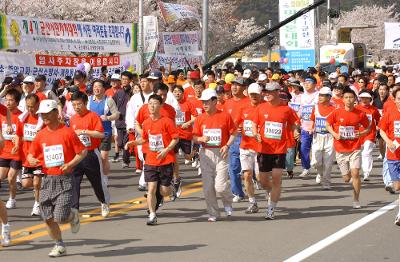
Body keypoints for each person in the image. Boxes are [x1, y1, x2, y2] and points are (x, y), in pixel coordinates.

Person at [27, 99, 87, 257]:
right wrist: (32, 159)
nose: (44, 117)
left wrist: (70, 164)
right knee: (47, 217)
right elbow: (31, 153)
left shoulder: (67, 132)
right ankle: (59, 245)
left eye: (47, 113)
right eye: (42, 114)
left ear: (55, 112)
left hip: (64, 178)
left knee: (60, 217)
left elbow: (82, 152)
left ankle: (72, 215)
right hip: (47, 179)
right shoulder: (41, 135)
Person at [125, 94, 179, 225]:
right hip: (150, 160)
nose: (152, 106)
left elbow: (175, 138)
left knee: (163, 191)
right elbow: (144, 139)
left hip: (165, 160)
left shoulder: (167, 121)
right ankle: (152, 215)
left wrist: (166, 150)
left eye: (155, 103)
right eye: (150, 103)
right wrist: (133, 143)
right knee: (151, 189)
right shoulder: (146, 123)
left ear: (160, 106)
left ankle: (171, 188)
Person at [252, 82, 298, 219]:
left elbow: (294, 124)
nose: (267, 94)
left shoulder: (286, 110)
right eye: (266, 92)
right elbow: (254, 124)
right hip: (263, 148)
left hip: (279, 149)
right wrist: (256, 134)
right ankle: (272, 192)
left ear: (278, 92)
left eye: (270, 92)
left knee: (277, 178)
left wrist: (296, 131)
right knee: (263, 181)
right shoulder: (260, 108)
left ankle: (271, 209)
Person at [192, 88, 236, 222]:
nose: (204, 104)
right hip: (205, 154)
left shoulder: (225, 116)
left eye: (207, 102)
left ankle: (228, 202)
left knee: (220, 186)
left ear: (214, 101)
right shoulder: (200, 119)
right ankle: (214, 213)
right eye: (203, 102)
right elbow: (194, 136)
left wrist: (227, 145)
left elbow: (233, 133)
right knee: (208, 187)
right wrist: (200, 139)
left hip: (221, 153)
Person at [326, 88, 370, 208]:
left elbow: (368, 127)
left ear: (355, 99)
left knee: (356, 173)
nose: (349, 100)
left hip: (355, 147)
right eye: (346, 97)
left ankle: (356, 200)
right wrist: (334, 134)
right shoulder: (337, 112)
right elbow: (327, 124)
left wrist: (361, 134)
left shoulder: (360, 113)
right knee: (346, 178)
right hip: (340, 148)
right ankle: (348, 175)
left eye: (351, 97)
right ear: (342, 99)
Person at [70, 91, 110, 217]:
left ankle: (104, 202)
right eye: (74, 104)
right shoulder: (72, 119)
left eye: (79, 104)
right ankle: (74, 208)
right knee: (74, 182)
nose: (77, 107)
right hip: (77, 155)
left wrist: (85, 132)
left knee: (96, 182)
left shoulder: (93, 116)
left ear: (85, 103)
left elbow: (101, 134)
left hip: (91, 154)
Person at [223, 77, 250, 202]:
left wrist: (245, 127)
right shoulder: (227, 102)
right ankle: (238, 192)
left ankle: (253, 184)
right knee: (233, 166)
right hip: (233, 138)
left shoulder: (249, 102)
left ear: (244, 88)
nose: (234, 87)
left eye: (238, 85)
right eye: (233, 84)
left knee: (248, 168)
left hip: (247, 138)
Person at [87, 79, 120, 179]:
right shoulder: (88, 100)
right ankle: (98, 176)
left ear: (103, 89)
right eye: (95, 87)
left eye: (99, 86)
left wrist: (108, 118)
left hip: (105, 132)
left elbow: (117, 114)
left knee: (104, 157)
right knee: (94, 158)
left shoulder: (108, 100)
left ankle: (104, 178)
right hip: (92, 133)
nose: (96, 88)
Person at [19, 94, 45, 216]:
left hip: (40, 157)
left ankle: (37, 204)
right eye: (28, 106)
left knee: (36, 182)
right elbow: (18, 134)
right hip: (27, 156)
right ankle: (43, 188)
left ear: (38, 105)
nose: (30, 109)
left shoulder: (44, 119)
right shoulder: (23, 118)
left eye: (32, 107)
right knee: (26, 183)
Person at [238, 83, 262, 213]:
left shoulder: (265, 108)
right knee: (247, 175)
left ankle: (270, 195)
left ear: (260, 94)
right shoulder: (244, 108)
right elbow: (236, 123)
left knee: (260, 178)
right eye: (252, 94)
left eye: (256, 94)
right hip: (245, 146)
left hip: (261, 149)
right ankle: (252, 202)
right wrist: (237, 128)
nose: (254, 96)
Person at [378, 87, 400, 225]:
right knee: (397, 187)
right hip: (393, 155)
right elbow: (381, 131)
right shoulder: (390, 113)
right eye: (399, 98)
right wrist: (389, 142)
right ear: (395, 99)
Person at [172, 85, 198, 199]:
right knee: (174, 158)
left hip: (186, 134)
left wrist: (188, 123)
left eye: (179, 91)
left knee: (188, 157)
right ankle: (176, 179)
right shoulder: (170, 105)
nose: (177, 93)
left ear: (183, 93)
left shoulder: (188, 104)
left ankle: (195, 154)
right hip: (174, 135)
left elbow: (195, 117)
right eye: (175, 91)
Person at [309, 87, 336, 189]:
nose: (320, 97)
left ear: (329, 97)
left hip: (330, 137)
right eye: (320, 95)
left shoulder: (334, 109)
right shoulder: (315, 107)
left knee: (328, 162)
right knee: (316, 161)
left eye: (323, 95)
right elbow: (312, 120)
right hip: (317, 137)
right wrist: (311, 128)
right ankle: (320, 174)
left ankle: (326, 182)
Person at [0, 89, 22, 209]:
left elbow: (26, 135)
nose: (8, 102)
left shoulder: (22, 116)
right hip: (3, 152)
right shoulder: (2, 114)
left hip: (16, 152)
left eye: (11, 100)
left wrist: (18, 139)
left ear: (17, 102)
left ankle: (11, 199)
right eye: (6, 100)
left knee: (11, 177)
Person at [356, 91, 381, 181]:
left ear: (370, 99)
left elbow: (379, 119)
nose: (365, 100)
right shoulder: (356, 108)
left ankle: (366, 173)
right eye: (363, 98)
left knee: (366, 152)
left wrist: (379, 126)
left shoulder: (374, 109)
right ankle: (355, 171)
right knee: (358, 153)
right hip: (358, 134)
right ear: (360, 99)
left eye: (367, 98)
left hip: (370, 134)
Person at [297, 76, 319, 177]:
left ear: (315, 84)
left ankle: (320, 170)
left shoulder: (319, 95)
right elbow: (298, 111)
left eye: (309, 82)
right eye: (305, 82)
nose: (306, 84)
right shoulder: (301, 96)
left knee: (317, 150)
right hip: (305, 127)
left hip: (317, 128)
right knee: (303, 149)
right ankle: (306, 168)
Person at [112, 71, 133, 168]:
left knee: (125, 143)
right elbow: (112, 104)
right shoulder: (118, 93)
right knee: (120, 143)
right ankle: (127, 155)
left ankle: (125, 160)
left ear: (130, 80)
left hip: (129, 122)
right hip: (119, 122)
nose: (124, 81)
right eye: (123, 79)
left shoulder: (133, 92)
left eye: (126, 79)